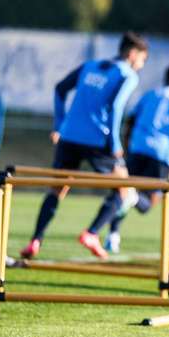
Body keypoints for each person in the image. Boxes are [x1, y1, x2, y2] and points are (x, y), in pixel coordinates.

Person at [19, 32, 148, 259]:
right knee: (124, 191)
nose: (141, 66)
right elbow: (117, 107)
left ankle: (35, 241)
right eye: (142, 60)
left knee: (57, 190)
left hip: (69, 137)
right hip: (98, 140)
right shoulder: (127, 74)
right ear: (132, 54)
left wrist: (59, 125)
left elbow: (60, 88)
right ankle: (92, 233)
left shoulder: (90, 65)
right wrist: (115, 143)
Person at [79, 65, 169, 257]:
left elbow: (130, 120)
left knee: (123, 190)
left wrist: (127, 144)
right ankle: (122, 210)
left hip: (138, 147)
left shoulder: (150, 94)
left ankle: (112, 235)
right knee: (146, 202)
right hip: (162, 154)